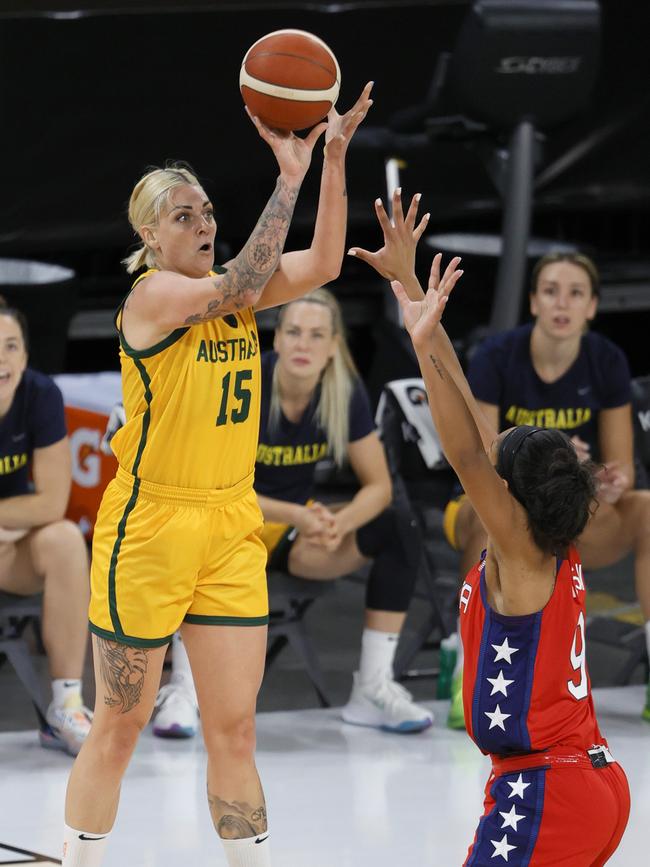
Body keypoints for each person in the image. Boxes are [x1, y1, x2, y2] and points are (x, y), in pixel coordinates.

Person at [62, 82, 373, 867]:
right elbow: (236, 284)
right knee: (121, 723)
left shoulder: (231, 290)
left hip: (231, 524)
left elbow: (328, 259)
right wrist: (288, 178)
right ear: (148, 233)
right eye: (183, 216)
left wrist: (332, 158)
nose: (203, 225)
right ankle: (78, 858)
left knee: (234, 726)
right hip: (151, 524)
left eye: (207, 213)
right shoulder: (153, 297)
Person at [389, 253, 630, 865]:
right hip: (589, 778)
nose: (495, 451)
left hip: (547, 790)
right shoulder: (554, 529)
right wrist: (423, 307)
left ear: (511, 497)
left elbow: (468, 454)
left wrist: (421, 353)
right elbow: (474, 419)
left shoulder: (520, 549)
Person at [154, 286, 433, 737]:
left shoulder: (343, 391)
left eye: (317, 335)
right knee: (195, 530)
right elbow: (209, 487)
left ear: (332, 347)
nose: (304, 344)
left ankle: (373, 685)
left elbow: (379, 487)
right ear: (277, 339)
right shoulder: (245, 382)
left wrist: (338, 522)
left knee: (400, 523)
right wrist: (298, 515)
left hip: (290, 537)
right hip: (227, 523)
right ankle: (184, 689)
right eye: (295, 332)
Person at [442, 252, 650, 727]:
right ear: (533, 301)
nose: (562, 302)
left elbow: (620, 470)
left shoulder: (607, 360)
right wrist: (552, 456)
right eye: (551, 290)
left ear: (592, 307)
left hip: (565, 507)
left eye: (576, 293)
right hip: (502, 500)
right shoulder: (497, 356)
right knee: (482, 512)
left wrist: (605, 480)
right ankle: (466, 670)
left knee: (647, 509)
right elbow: (484, 457)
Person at [0, 297, 92, 756]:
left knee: (65, 540)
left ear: (25, 356)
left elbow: (52, 504)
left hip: (9, 548)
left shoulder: (40, 395)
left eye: (11, 346)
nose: (1, 359)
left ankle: (67, 706)